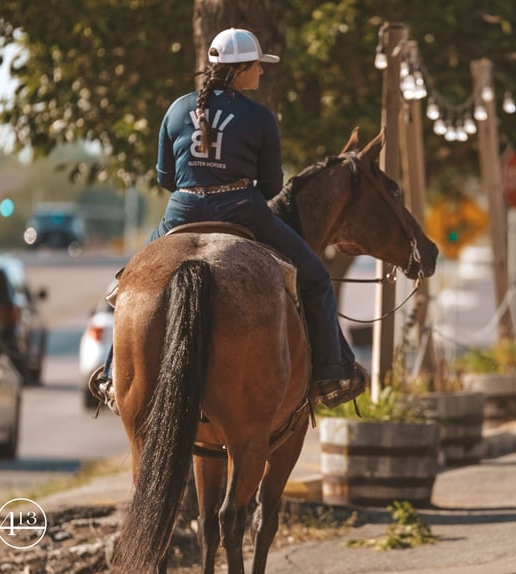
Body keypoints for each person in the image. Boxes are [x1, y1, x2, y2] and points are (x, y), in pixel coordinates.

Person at [90, 28, 366, 411]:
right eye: (258, 66)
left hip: (181, 211)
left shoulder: (176, 109)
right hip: (242, 210)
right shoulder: (260, 117)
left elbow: (165, 179)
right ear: (241, 69)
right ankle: (331, 371)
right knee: (316, 277)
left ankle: (110, 378)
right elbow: (271, 185)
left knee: (129, 281)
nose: (262, 73)